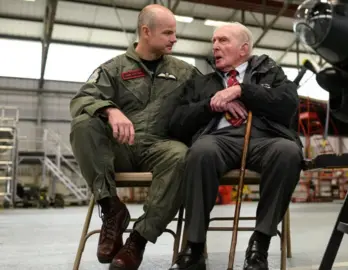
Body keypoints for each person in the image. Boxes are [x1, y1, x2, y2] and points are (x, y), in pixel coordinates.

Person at [69, 4, 200, 270]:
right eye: (168, 33)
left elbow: (208, 100)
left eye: (174, 33)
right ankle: (111, 209)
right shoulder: (114, 69)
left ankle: (137, 241)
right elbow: (81, 99)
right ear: (145, 32)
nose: (174, 39)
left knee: (181, 155)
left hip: (161, 147)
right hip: (120, 150)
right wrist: (109, 109)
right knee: (84, 124)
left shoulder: (185, 72)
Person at [167, 22, 303, 270]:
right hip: (219, 139)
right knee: (200, 152)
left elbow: (288, 103)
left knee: (288, 152)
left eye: (223, 41)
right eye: (214, 41)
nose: (215, 46)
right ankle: (194, 247)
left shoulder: (270, 73)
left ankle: (259, 245)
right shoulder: (202, 83)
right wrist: (211, 104)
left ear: (243, 49)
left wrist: (241, 91)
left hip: (265, 138)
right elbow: (176, 122)